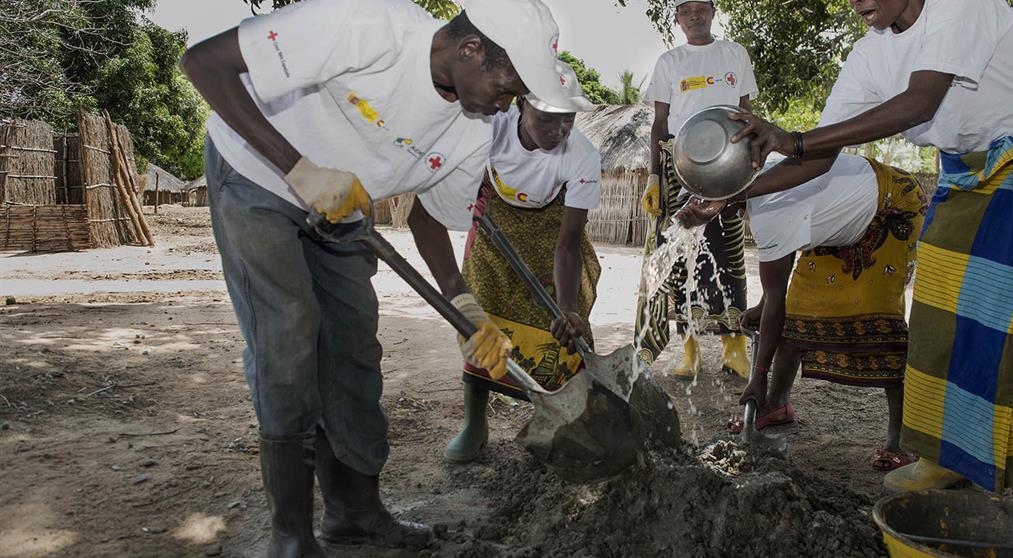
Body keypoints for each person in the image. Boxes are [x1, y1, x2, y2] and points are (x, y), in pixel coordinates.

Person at [680, 0, 1013, 528]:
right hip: (970, 176)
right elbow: (817, 156)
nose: (857, 4)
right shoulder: (869, 55)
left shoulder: (962, 8)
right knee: (938, 323)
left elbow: (919, 104)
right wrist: (734, 194)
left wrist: (797, 139)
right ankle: (942, 458)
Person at [180, 0, 572, 554]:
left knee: (355, 348)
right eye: (510, 84)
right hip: (255, 174)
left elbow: (430, 222)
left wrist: (467, 308)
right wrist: (299, 170)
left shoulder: (476, 129)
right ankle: (289, 533)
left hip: (345, 211)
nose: (512, 102)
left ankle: (356, 514)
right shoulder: (367, 26)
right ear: (471, 49)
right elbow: (202, 63)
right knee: (289, 333)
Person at [715, 154, 927, 471]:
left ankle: (902, 441)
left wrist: (757, 376)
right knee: (800, 305)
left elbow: (776, 299)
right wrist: (763, 306)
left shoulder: (768, 211)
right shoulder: (758, 185)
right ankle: (776, 405)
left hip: (889, 204)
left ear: (729, 197)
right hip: (840, 214)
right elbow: (777, 294)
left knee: (878, 320)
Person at [444, 61, 602, 463]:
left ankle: (557, 422)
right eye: (548, 118)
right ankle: (475, 424)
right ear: (521, 106)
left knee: (561, 328)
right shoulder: (491, 126)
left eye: (567, 119)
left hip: (552, 226)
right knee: (482, 316)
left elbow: (568, 243)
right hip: (495, 217)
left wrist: (567, 307)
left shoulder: (582, 155)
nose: (560, 130)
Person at [636, 0, 758, 383]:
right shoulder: (669, 62)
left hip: (729, 164)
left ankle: (734, 349)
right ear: (677, 18)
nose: (694, 16)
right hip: (679, 167)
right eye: (685, 11)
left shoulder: (734, 54)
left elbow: (747, 112)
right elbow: (659, 124)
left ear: (713, 11)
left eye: (700, 9)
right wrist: (654, 176)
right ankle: (688, 349)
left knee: (729, 253)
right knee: (680, 259)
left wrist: (750, 169)